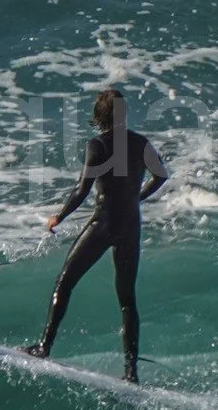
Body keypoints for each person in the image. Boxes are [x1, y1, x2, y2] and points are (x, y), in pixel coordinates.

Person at [27, 89, 168, 382]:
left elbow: (82, 190)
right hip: (130, 224)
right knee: (127, 299)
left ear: (98, 116)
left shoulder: (97, 145)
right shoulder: (140, 143)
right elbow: (161, 177)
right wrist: (136, 198)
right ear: (123, 113)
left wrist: (59, 216)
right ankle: (131, 372)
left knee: (64, 282)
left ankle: (44, 347)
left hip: (104, 223)